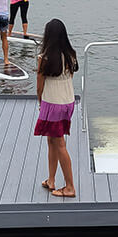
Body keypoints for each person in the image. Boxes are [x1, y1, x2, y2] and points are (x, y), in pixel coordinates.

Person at [35, 18, 79, 198]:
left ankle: (70, 187)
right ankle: (51, 179)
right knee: (52, 141)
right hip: (67, 102)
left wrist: (40, 103)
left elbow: (39, 86)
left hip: (52, 103)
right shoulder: (71, 55)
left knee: (59, 143)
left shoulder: (44, 58)